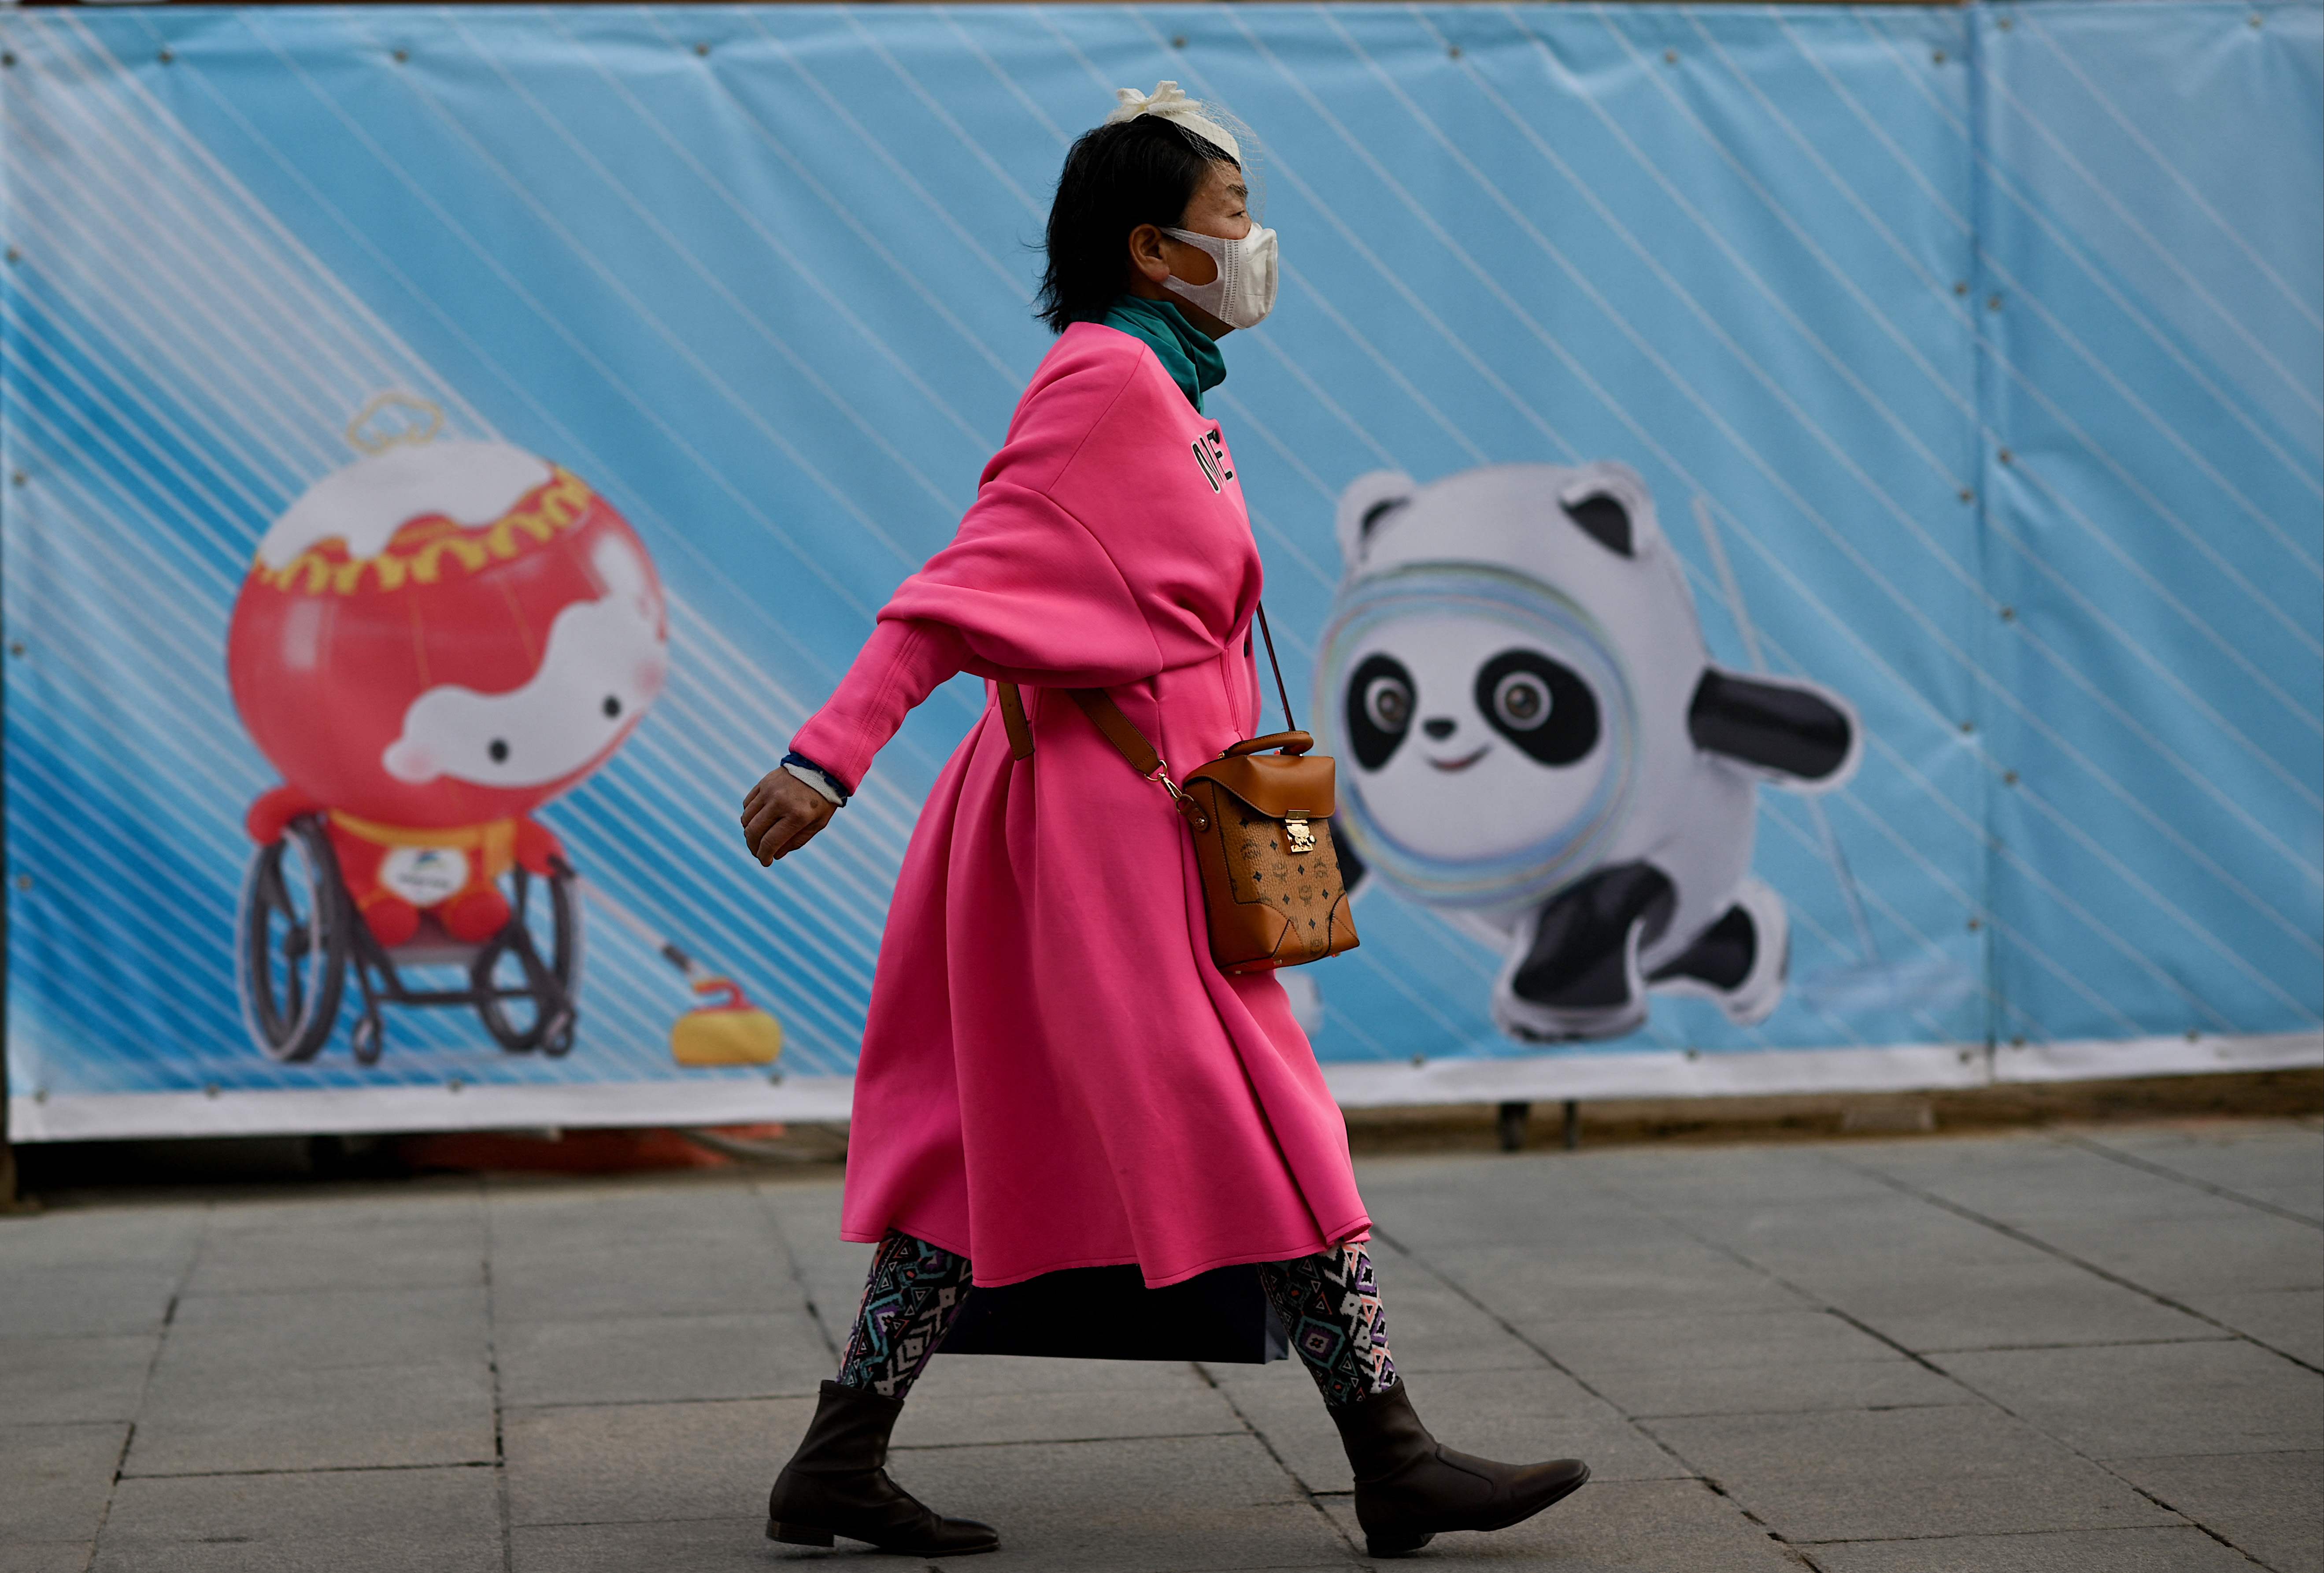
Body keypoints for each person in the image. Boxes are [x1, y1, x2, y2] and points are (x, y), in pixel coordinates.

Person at [740, 82, 1589, 1560]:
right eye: (1232, 217)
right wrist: (828, 756)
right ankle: (1391, 1459)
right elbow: (962, 587)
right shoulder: (1107, 382)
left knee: (984, 1139)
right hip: (1106, 832)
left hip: (1116, 818)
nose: (1255, 244)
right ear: (1151, 246)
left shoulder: (1162, 385)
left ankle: (836, 1457)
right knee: (1266, 1116)